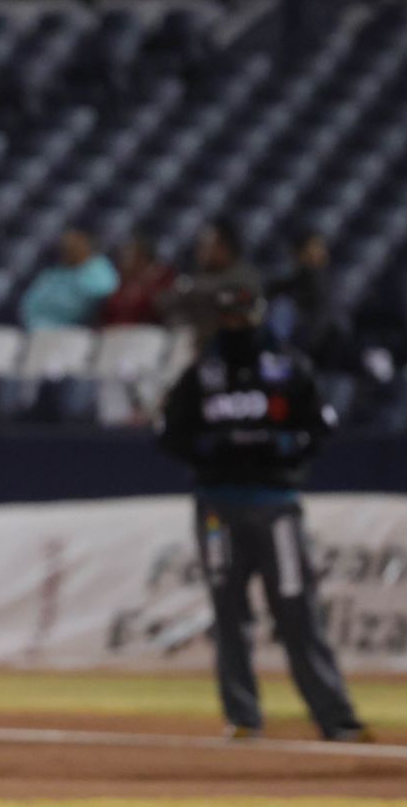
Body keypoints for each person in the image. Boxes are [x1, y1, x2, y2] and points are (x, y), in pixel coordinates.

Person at [158, 284, 370, 743]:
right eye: (228, 318)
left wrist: (285, 449)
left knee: (296, 610)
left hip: (275, 505)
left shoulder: (288, 368)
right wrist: (208, 451)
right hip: (218, 507)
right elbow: (170, 434)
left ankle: (334, 716)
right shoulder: (203, 373)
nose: (236, 326)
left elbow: (319, 427)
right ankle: (242, 717)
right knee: (229, 614)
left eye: (243, 317)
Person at [165, 218, 262, 341]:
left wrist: (196, 292)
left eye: (206, 246)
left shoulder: (245, 274)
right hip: (196, 342)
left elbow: (240, 304)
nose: (200, 252)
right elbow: (169, 301)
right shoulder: (201, 275)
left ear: (223, 248)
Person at [268, 231, 351, 368]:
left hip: (328, 350)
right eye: (314, 247)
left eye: (320, 247)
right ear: (298, 253)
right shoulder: (296, 281)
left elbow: (321, 323)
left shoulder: (322, 281)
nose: (320, 252)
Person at [20, 227, 119, 329]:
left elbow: (102, 294)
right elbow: (30, 304)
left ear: (86, 244)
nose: (69, 249)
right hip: (40, 330)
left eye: (74, 244)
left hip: (79, 331)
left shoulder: (99, 268)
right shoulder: (52, 274)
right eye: (65, 246)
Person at [96, 235, 177, 326]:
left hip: (149, 332)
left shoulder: (163, 278)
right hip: (115, 332)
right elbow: (108, 312)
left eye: (128, 257)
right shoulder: (121, 282)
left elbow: (160, 309)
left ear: (141, 258)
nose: (123, 262)